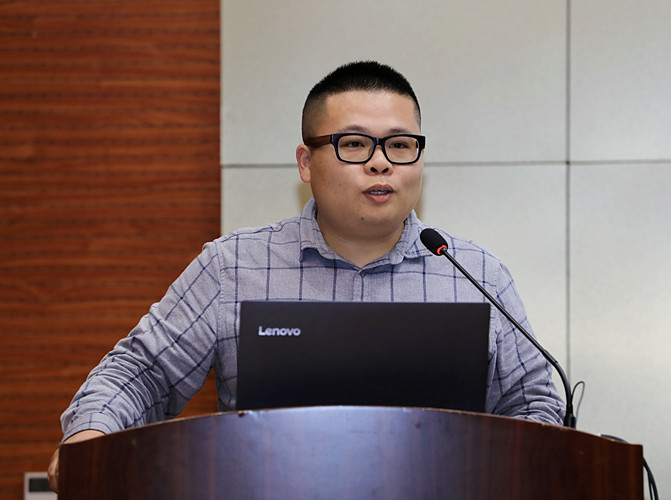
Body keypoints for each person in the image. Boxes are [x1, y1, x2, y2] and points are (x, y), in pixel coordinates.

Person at [47, 61, 564, 491]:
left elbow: (535, 402)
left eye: (400, 145)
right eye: (354, 144)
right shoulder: (233, 266)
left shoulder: (474, 273)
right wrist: (91, 437)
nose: (380, 164)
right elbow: (142, 372)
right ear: (305, 162)